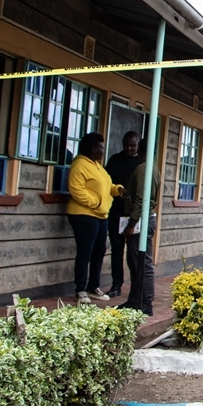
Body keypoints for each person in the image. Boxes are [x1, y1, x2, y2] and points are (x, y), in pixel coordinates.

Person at [67, 133, 124, 303]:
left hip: (101, 215)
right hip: (83, 215)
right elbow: (76, 189)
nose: (103, 150)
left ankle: (93, 287)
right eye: (101, 147)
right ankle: (80, 289)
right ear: (93, 149)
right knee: (85, 252)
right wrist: (97, 201)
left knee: (99, 251)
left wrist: (117, 189)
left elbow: (106, 185)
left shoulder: (97, 166)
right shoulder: (80, 165)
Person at [118, 153, 159, 316]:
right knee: (135, 263)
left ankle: (145, 303)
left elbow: (142, 199)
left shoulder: (144, 169)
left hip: (141, 220)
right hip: (143, 218)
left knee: (143, 263)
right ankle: (135, 299)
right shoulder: (152, 168)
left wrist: (132, 223)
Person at [104, 131, 140, 297]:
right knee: (117, 250)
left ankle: (136, 287)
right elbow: (106, 182)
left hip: (133, 214)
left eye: (133, 145)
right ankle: (116, 285)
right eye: (126, 145)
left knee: (134, 252)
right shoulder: (114, 160)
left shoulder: (141, 163)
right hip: (116, 211)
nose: (129, 148)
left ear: (137, 146)